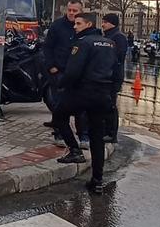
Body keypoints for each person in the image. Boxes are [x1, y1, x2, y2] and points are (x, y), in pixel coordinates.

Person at [52, 11, 117, 194]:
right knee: (97, 136)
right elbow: (117, 69)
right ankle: (97, 180)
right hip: (103, 95)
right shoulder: (110, 44)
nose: (75, 26)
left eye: (78, 23)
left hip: (83, 93)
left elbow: (73, 72)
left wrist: (61, 84)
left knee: (59, 116)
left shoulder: (82, 43)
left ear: (88, 25)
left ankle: (74, 150)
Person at [43, 0, 88, 148]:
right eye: (69, 10)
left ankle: (83, 136)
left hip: (77, 74)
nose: (71, 13)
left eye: (75, 11)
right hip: (59, 72)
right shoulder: (57, 26)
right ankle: (59, 133)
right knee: (59, 105)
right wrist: (51, 66)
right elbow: (47, 47)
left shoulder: (84, 28)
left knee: (80, 106)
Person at [100, 13, 128, 143]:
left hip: (113, 76)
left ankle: (111, 134)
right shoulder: (107, 36)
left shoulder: (118, 37)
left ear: (112, 23)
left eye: (105, 22)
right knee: (105, 104)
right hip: (106, 75)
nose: (102, 24)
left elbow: (118, 57)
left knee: (111, 105)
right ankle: (105, 130)